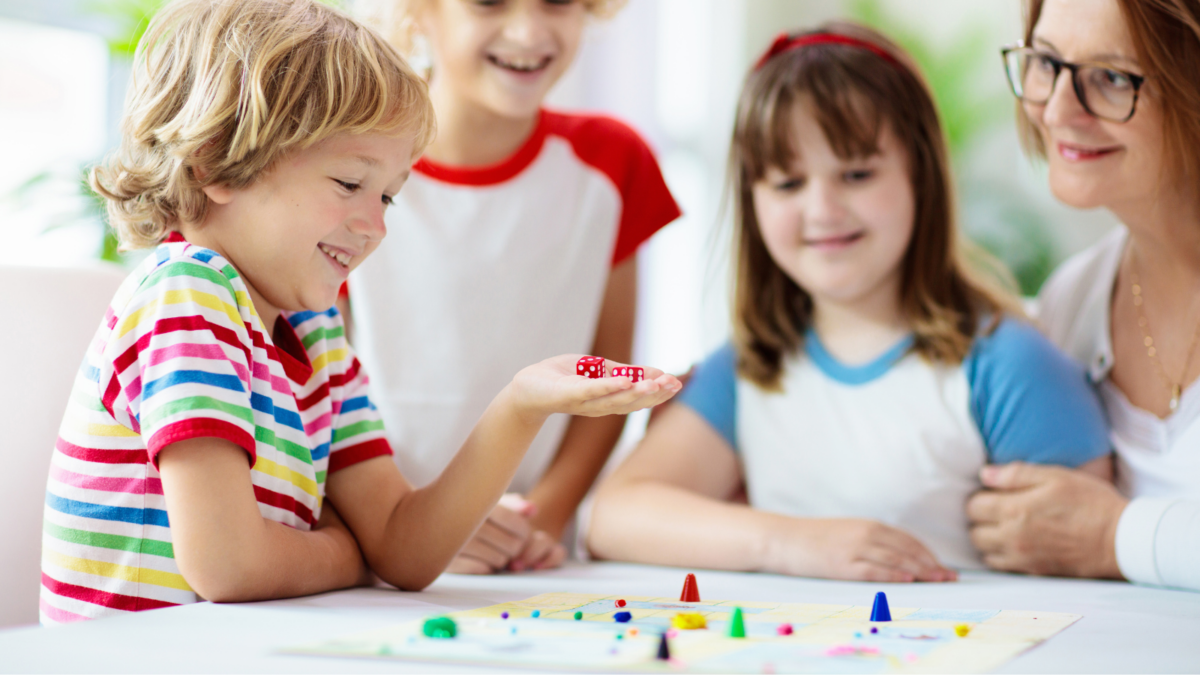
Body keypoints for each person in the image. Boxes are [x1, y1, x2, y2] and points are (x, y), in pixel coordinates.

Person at [40, 0, 680, 624]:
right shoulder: (186, 294)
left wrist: (521, 403)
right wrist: (352, 555)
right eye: (350, 184)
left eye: (389, 199)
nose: (374, 227)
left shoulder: (313, 333)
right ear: (217, 163)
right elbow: (230, 567)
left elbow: (405, 549)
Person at [586, 23, 1112, 582]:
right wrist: (791, 544)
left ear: (921, 179)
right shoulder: (750, 368)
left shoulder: (1007, 366)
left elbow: (1085, 565)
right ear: (753, 202)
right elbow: (613, 515)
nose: (823, 209)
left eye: (857, 174)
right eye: (788, 184)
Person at [347, 0, 681, 574]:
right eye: (488, 3)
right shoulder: (345, 168)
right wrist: (415, 521)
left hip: (535, 558)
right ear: (418, 12)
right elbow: (315, 384)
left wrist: (539, 518)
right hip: (371, 543)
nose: (528, 31)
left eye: (556, 3)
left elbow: (610, 374)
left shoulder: (611, 162)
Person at [968, 0, 1200, 592]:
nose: (1059, 110)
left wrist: (1112, 536)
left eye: (1113, 77)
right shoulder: (1075, 299)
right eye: (1047, 62)